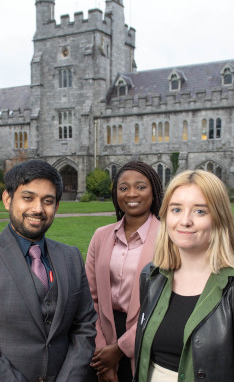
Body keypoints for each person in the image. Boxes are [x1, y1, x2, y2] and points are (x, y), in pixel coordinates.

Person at [134, 170, 234, 382]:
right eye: (176, 209)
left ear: (219, 218)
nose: (185, 221)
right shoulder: (152, 277)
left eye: (199, 211)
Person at [0, 159, 97, 381]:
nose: (37, 209)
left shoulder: (71, 257)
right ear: (7, 199)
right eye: (27, 198)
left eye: (47, 201)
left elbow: (84, 328)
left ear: (56, 206)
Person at [85, 161, 163, 382]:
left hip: (147, 337)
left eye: (140, 187)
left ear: (154, 191)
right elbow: (89, 298)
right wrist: (103, 355)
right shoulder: (101, 236)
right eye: (123, 187)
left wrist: (119, 349)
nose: (131, 194)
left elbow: (164, 307)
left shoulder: (168, 239)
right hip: (102, 334)